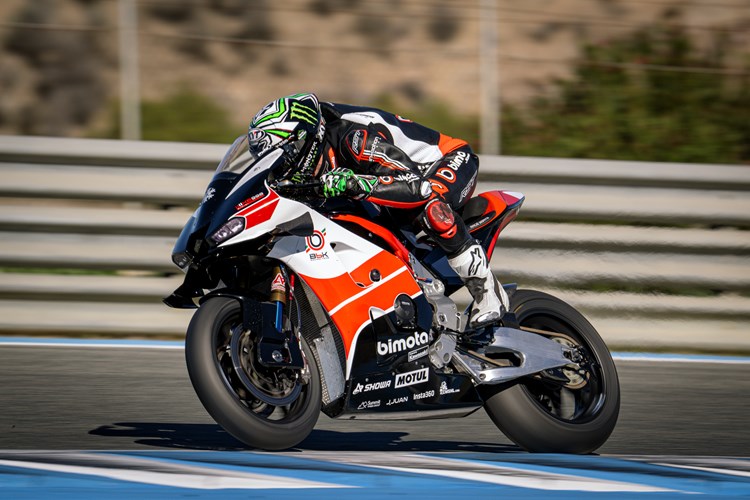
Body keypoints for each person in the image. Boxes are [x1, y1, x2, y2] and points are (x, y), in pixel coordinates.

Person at [247, 92, 509, 333]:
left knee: (431, 205)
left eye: (283, 156)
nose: (279, 167)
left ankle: (487, 290)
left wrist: (356, 183)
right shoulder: (303, 167)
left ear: (304, 141)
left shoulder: (353, 137)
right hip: (396, 180)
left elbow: (415, 185)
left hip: (444, 162)